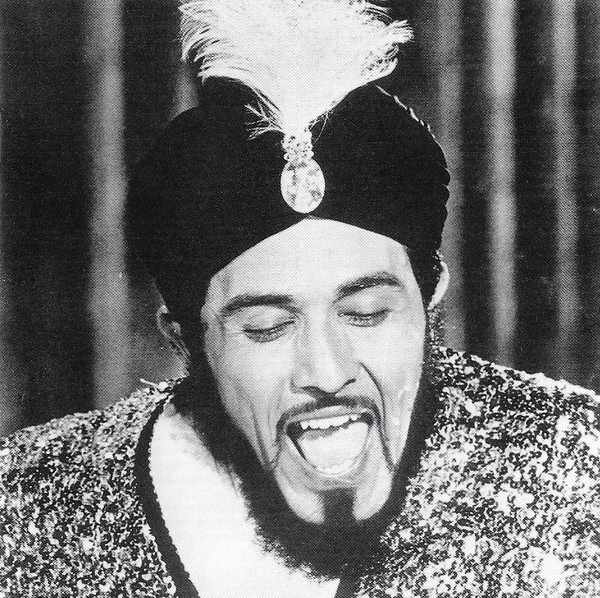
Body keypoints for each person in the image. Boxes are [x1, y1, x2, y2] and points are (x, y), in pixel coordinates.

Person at [1, 1, 599, 596]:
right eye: (267, 326)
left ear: (430, 297)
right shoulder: (23, 510)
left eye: (366, 313)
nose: (327, 372)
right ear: (184, 340)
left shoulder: (576, 469)